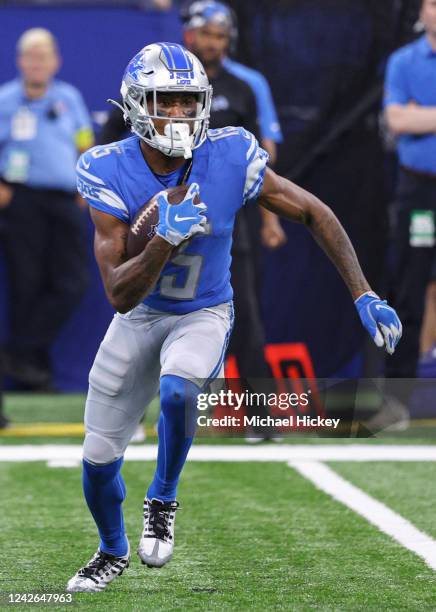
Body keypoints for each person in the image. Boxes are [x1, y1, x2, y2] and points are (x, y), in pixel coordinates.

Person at [67, 42, 401, 593]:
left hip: (204, 310)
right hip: (141, 316)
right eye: (164, 102)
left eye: (186, 103)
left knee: (179, 390)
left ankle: (163, 497)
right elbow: (119, 295)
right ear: (135, 105)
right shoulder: (105, 167)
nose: (177, 115)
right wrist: (161, 243)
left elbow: (314, 211)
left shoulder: (231, 154)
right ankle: (110, 550)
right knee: (98, 460)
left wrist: (363, 292)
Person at [0, 28, 94, 390]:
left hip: (65, 200)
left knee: (71, 284)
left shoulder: (69, 98)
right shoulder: (5, 99)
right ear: (20, 61)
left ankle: (15, 352)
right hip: (21, 201)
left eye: (44, 56)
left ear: (56, 61)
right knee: (25, 286)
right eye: (30, 56)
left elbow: (86, 143)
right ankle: (35, 374)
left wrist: (88, 186)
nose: (37, 63)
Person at [384, 0, 436, 379]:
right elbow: (397, 119)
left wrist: (424, 114)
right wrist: (409, 116)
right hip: (420, 191)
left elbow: (412, 116)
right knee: (409, 285)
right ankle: (399, 394)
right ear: (421, 11)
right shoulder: (403, 62)